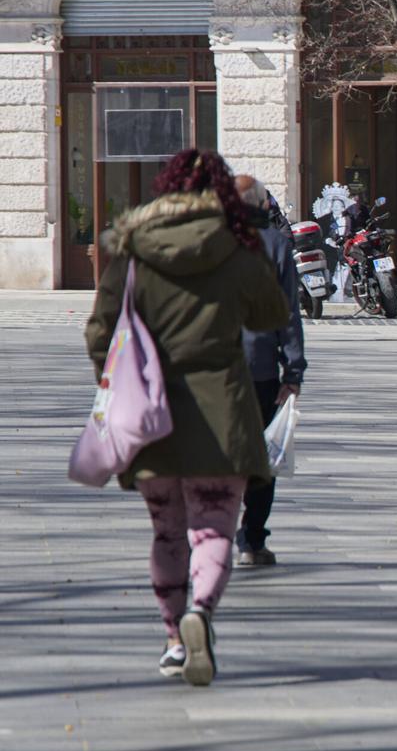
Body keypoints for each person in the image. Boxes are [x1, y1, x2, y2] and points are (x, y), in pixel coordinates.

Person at [84, 149, 289, 686]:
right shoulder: (237, 248)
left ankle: (175, 639)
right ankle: (201, 611)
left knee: (167, 534)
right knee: (214, 527)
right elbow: (271, 314)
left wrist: (116, 380)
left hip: (151, 417)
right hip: (222, 412)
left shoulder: (132, 253)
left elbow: (99, 332)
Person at [233, 175, 307, 567]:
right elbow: (288, 316)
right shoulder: (276, 246)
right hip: (259, 369)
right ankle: (251, 540)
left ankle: (210, 533)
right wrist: (293, 371)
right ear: (263, 207)